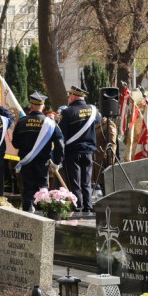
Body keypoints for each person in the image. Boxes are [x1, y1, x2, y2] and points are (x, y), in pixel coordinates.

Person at [12, 92, 65, 211]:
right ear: (43, 106)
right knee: (42, 188)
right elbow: (60, 143)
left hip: (26, 161)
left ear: (31, 105)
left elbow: (15, 143)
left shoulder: (21, 121)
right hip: (43, 161)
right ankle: (42, 214)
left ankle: (28, 210)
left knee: (27, 187)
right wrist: (57, 161)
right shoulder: (50, 123)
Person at [59, 85, 99, 214]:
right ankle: (88, 204)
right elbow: (99, 120)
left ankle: (78, 205)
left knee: (75, 180)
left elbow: (62, 134)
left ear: (73, 97)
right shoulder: (93, 110)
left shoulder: (67, 112)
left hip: (73, 151)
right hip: (88, 151)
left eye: (69, 96)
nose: (68, 99)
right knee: (87, 180)